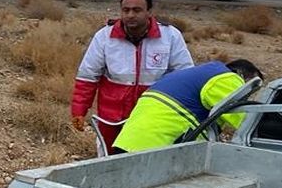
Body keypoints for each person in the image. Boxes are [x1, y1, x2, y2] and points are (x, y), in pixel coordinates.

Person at [71, 0, 193, 153]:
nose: (130, 15)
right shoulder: (105, 37)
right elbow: (87, 77)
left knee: (148, 159)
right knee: (108, 159)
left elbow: (186, 77)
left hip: (153, 114)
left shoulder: (170, 36)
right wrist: (79, 110)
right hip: (112, 117)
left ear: (149, 12)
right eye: (125, 10)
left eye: (137, 10)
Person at [111, 60, 262, 153]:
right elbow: (246, 121)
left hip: (128, 143)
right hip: (155, 149)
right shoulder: (228, 78)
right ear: (242, 76)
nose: (249, 96)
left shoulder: (199, 74)